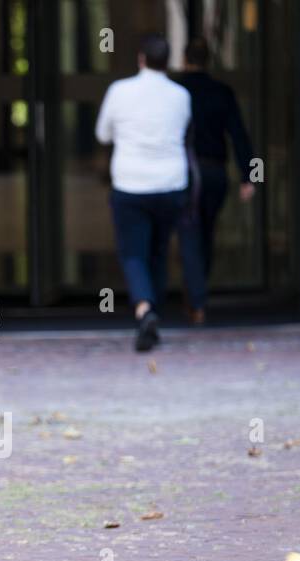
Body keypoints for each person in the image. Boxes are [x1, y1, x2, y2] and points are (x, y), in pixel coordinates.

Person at [96, 34, 205, 351]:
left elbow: (103, 133)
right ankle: (154, 310)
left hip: (130, 184)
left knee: (133, 253)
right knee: (158, 252)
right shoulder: (181, 95)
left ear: (141, 59)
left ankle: (144, 310)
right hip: (171, 185)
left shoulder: (119, 91)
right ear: (167, 61)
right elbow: (183, 131)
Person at [177, 36, 256, 292]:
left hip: (183, 172)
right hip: (214, 171)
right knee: (207, 230)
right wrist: (248, 175)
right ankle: (200, 286)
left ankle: (194, 292)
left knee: (188, 231)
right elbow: (239, 134)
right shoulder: (222, 92)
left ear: (184, 60)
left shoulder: (176, 92)